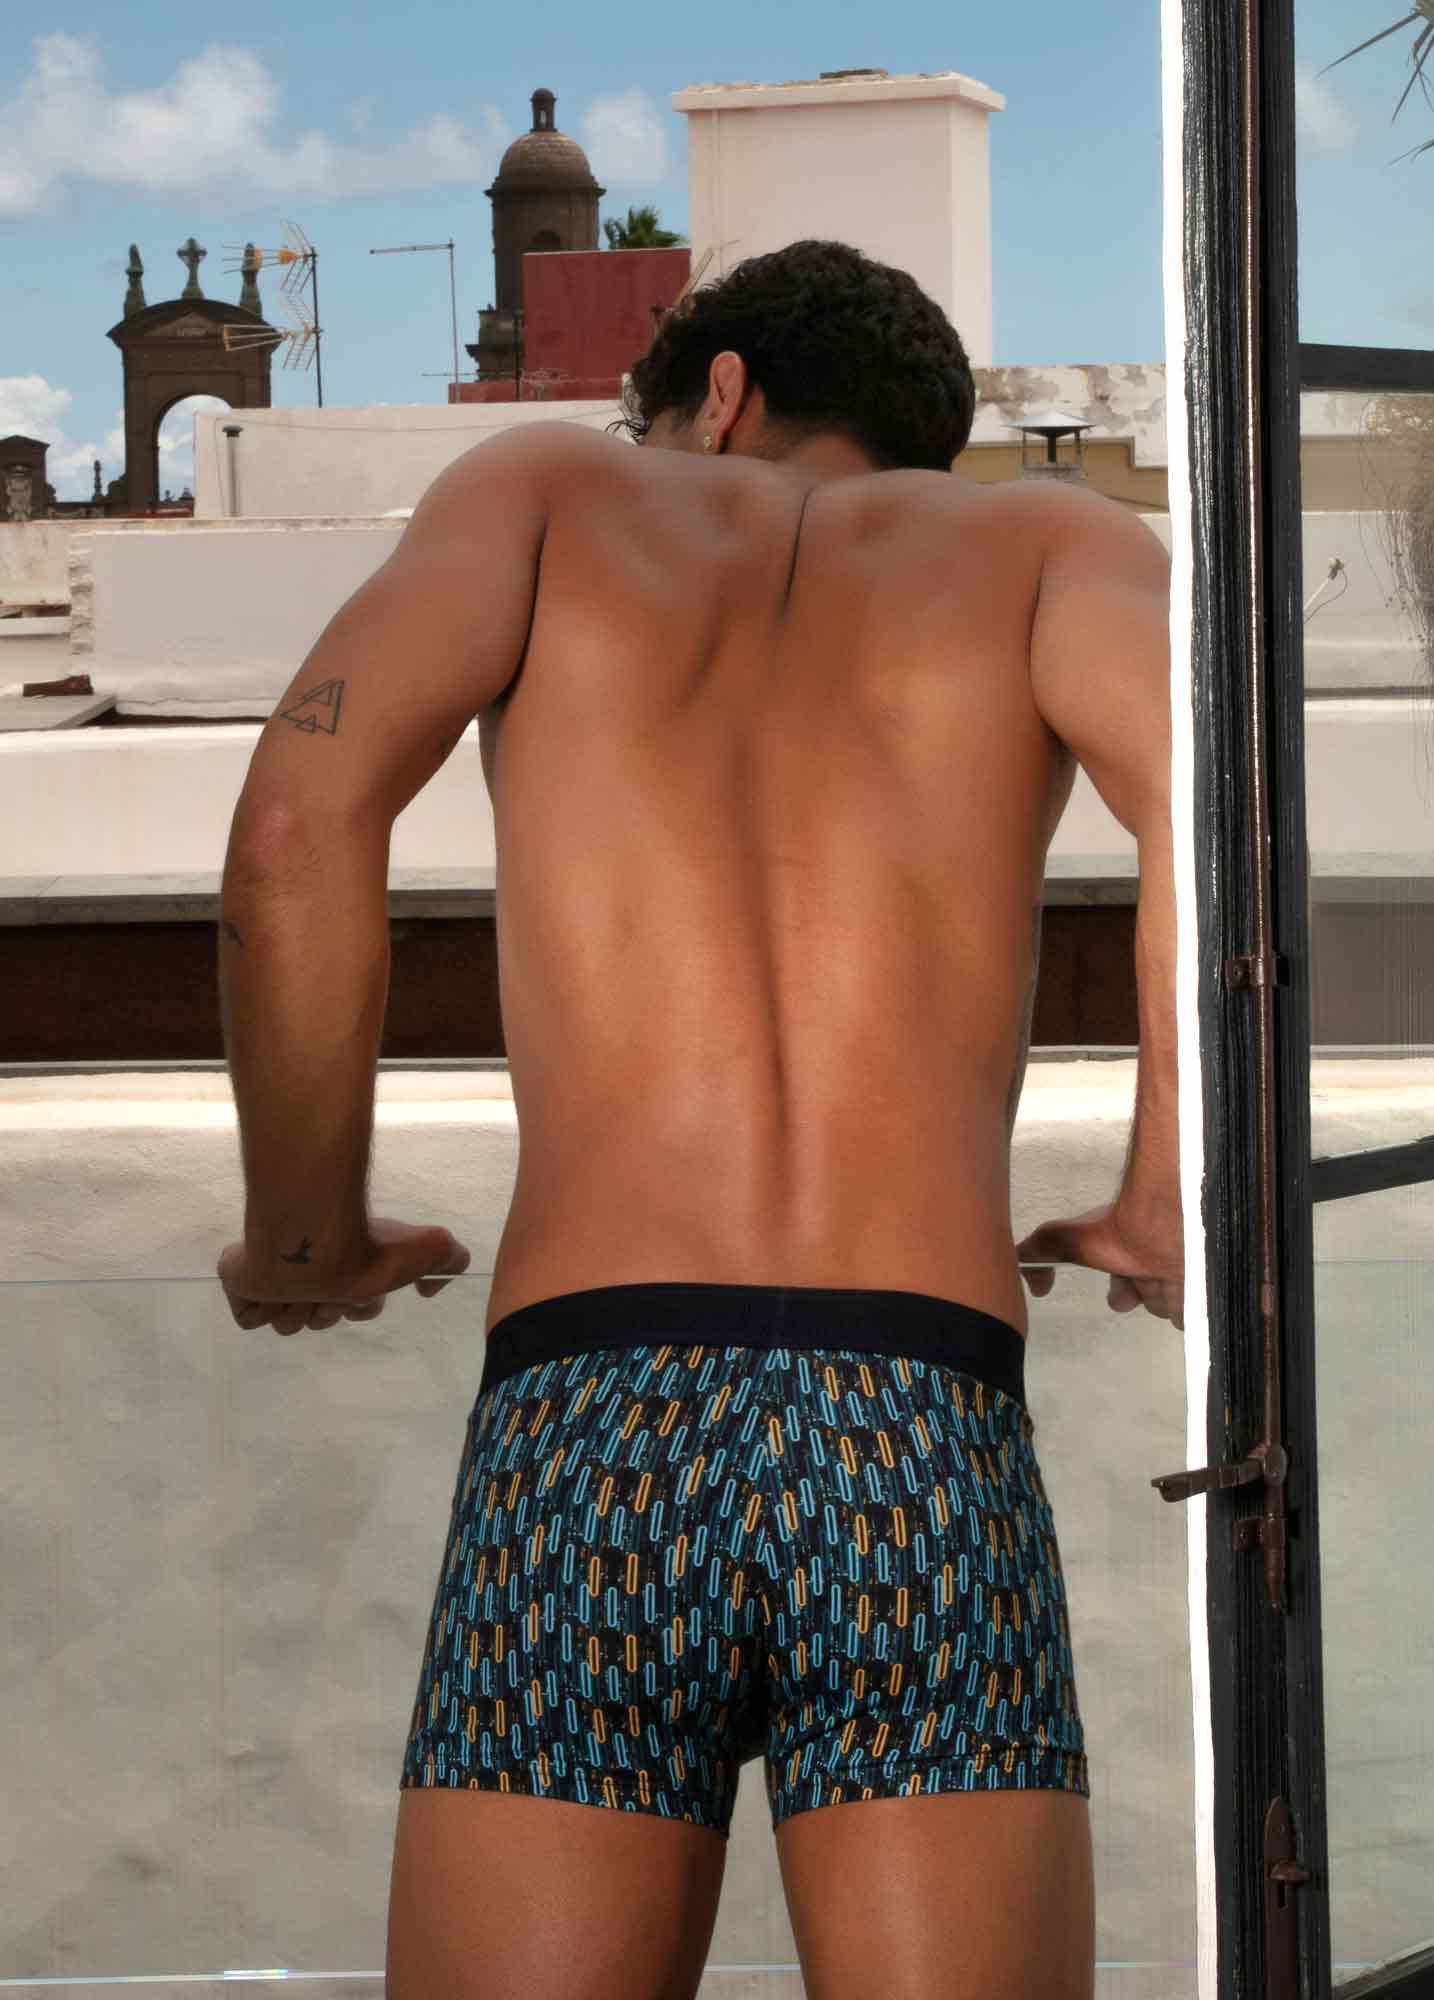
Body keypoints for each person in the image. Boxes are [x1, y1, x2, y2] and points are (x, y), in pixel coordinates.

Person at [215, 239, 1183, 2000]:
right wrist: (1169, 1196)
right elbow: (1225, 820)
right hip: (917, 1426)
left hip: (593, 1420)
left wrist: (306, 1233)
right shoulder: (1056, 547)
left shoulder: (539, 496)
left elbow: (294, 825)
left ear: (718, 393)